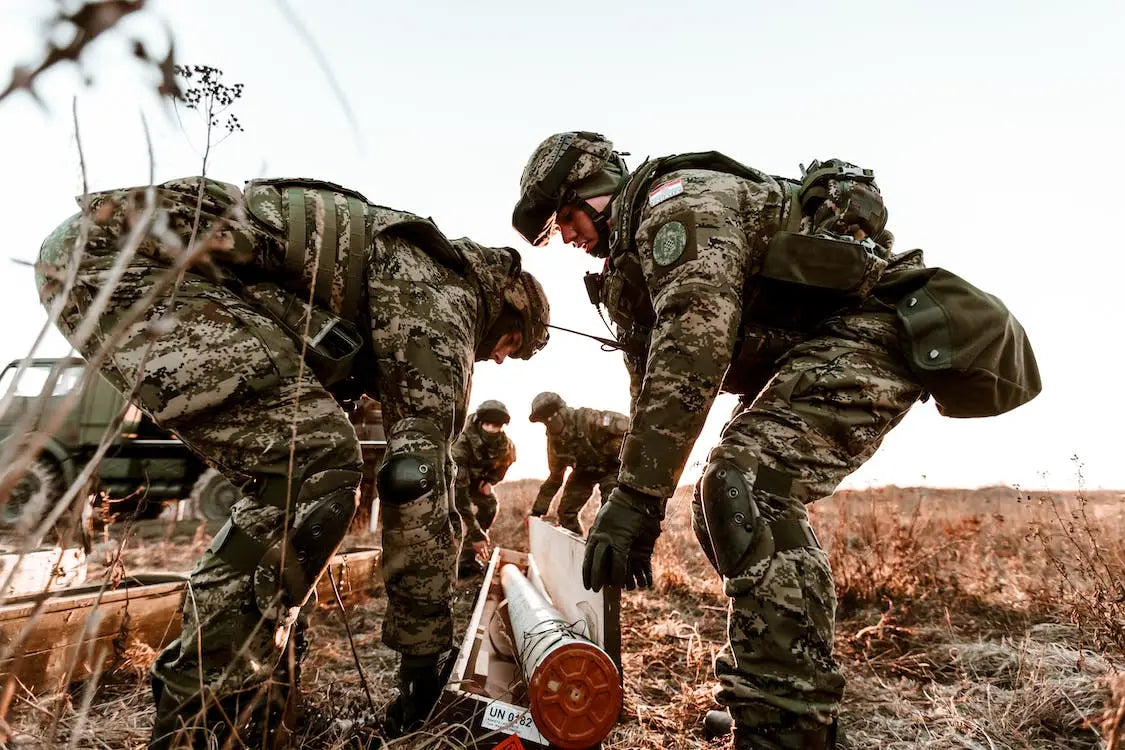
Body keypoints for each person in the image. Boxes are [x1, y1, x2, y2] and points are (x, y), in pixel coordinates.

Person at [512, 132, 1039, 749]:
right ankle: (776, 697)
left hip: (877, 328)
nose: (568, 237)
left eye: (566, 218)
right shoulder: (631, 263)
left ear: (595, 188)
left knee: (745, 489)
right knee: (726, 500)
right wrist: (640, 504)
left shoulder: (678, 208)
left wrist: (636, 498)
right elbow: (653, 386)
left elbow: (692, 351)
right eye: (553, 232)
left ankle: (788, 725)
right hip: (827, 345)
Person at [35, 175, 549, 748]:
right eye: (510, 347)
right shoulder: (442, 296)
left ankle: (257, 705)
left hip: (124, 259)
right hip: (125, 264)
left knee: (307, 474)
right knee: (316, 467)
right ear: (507, 307)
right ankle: (207, 724)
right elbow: (416, 479)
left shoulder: (412, 270)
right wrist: (424, 658)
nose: (499, 360)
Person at [527, 391, 629, 535]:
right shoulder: (555, 443)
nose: (550, 424)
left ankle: (604, 548)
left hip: (612, 468)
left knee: (609, 512)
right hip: (584, 472)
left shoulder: (587, 418)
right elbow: (555, 478)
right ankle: (577, 547)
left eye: (552, 417)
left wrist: (616, 450)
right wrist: (537, 511)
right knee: (565, 513)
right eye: (545, 421)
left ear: (562, 412)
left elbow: (627, 426)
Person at [450, 399, 517, 577]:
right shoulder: (461, 442)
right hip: (450, 481)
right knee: (448, 516)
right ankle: (443, 561)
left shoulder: (505, 444)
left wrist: (489, 481)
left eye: (496, 426)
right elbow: (459, 496)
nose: (492, 430)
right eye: (487, 425)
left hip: (477, 480)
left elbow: (505, 463)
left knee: (490, 505)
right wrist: (475, 531)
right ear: (480, 423)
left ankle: (467, 560)